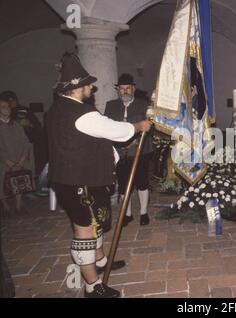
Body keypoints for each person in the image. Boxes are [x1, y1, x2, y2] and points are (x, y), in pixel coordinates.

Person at [46, 53, 152, 298]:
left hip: (70, 178)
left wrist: (112, 150)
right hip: (81, 181)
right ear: (76, 89)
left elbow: (82, 141)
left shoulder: (56, 110)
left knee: (95, 223)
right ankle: (92, 285)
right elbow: (116, 130)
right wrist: (138, 127)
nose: (91, 88)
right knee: (84, 229)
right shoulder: (82, 112)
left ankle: (101, 260)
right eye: (87, 85)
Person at [105, 74, 153, 227]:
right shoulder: (110, 105)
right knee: (123, 182)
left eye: (127, 88)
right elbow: (108, 127)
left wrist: (135, 141)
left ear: (133, 89)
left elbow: (151, 127)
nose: (124, 91)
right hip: (119, 151)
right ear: (117, 90)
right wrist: (118, 143)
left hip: (140, 149)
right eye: (121, 89)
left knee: (142, 182)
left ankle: (144, 212)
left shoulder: (144, 104)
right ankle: (127, 214)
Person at [0, 96, 34, 215]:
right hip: (4, 161)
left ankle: (19, 205)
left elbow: (25, 142)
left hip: (19, 158)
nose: (7, 109)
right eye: (3, 107)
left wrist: (22, 158)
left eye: (8, 107)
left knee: (20, 180)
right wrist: (5, 160)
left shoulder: (16, 124)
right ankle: (5, 206)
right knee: (3, 182)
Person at [0, 91, 47, 177]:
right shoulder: (6, 119)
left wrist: (29, 124)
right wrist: (7, 161)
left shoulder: (24, 110)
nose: (11, 103)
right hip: (7, 157)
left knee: (25, 177)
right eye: (8, 101)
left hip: (25, 148)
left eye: (13, 99)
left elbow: (37, 127)